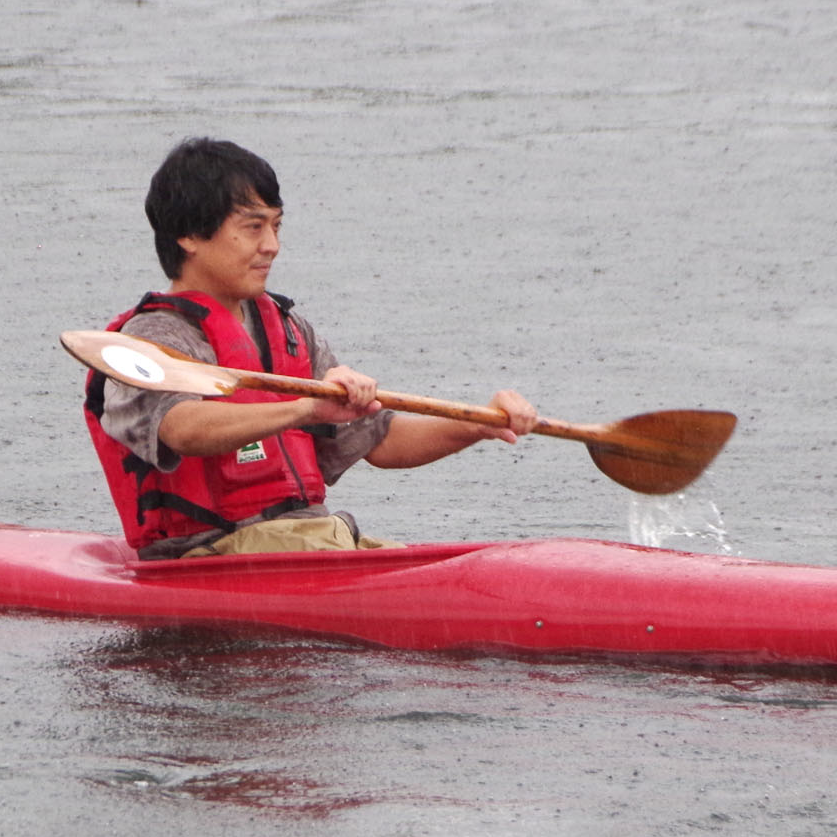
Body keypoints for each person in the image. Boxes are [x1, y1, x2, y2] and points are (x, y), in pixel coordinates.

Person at [84, 138, 538, 558]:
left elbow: (380, 441)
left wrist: (478, 426)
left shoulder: (287, 328)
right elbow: (182, 428)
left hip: (307, 540)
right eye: (254, 227)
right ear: (189, 235)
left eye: (277, 226)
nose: (272, 246)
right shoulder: (152, 338)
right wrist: (306, 408)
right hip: (209, 554)